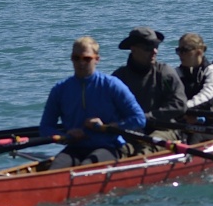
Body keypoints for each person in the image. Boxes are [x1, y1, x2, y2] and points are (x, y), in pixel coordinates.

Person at [38, 36, 146, 169]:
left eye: (87, 59)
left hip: (108, 147)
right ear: (71, 58)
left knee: (87, 167)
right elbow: (45, 127)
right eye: (76, 58)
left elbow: (139, 119)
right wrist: (65, 136)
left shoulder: (112, 85)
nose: (81, 63)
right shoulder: (60, 89)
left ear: (97, 59)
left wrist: (107, 127)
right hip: (75, 147)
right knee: (54, 169)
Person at [111, 27, 187, 131]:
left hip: (164, 128)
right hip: (130, 129)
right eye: (148, 48)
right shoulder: (119, 77)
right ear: (133, 49)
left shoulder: (165, 73)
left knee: (148, 143)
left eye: (156, 46)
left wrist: (147, 117)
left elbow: (180, 105)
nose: (155, 51)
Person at [174, 32, 213, 120]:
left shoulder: (212, 72)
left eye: (184, 50)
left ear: (198, 52)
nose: (180, 54)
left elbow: (206, 98)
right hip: (182, 120)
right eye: (178, 50)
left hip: (210, 123)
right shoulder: (177, 72)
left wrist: (181, 108)